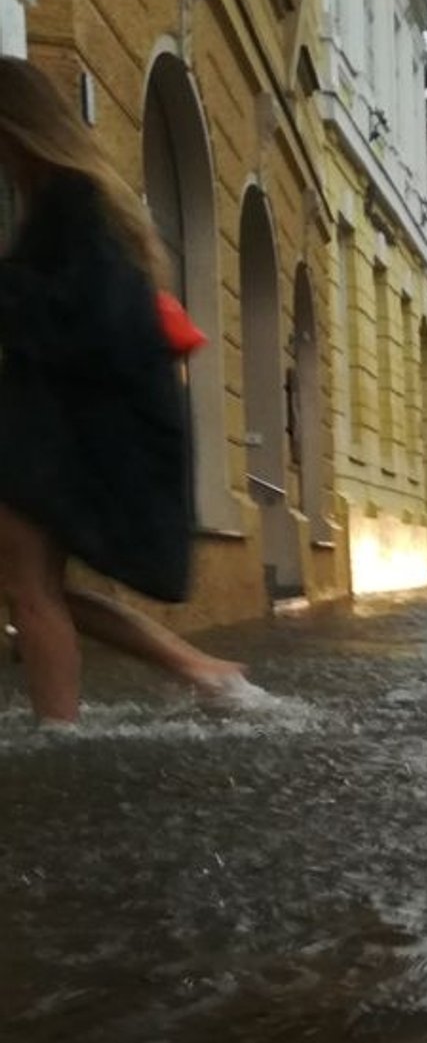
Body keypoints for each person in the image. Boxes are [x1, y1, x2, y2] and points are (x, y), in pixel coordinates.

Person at [0, 57, 254, 723]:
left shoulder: (69, 202)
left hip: (58, 432)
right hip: (63, 427)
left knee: (30, 589)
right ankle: (198, 668)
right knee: (34, 584)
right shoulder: (71, 197)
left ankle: (60, 730)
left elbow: (79, 313)